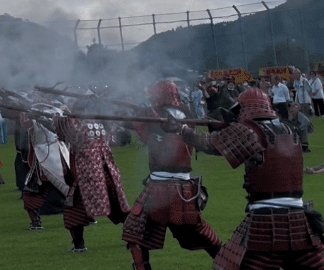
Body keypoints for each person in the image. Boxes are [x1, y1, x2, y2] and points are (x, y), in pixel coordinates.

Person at [173, 87, 324, 270]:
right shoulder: (288, 129)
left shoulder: (250, 130)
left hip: (266, 220)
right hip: (298, 218)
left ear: (246, 108)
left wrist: (182, 129)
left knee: (226, 266)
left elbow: (209, 144)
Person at [121, 81, 222, 270]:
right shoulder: (186, 115)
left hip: (160, 184)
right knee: (198, 231)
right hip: (183, 186)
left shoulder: (155, 116)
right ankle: (225, 261)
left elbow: (139, 131)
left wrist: (141, 114)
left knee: (134, 232)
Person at [55, 106, 130, 253]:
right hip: (107, 171)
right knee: (120, 209)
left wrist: (59, 116)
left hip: (86, 174)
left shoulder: (77, 125)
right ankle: (132, 239)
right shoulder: (104, 122)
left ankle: (79, 245)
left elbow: (62, 131)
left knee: (73, 212)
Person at [19, 105, 70, 231]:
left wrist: (39, 118)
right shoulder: (52, 114)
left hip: (51, 156)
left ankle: (86, 217)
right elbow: (26, 125)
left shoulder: (57, 115)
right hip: (44, 157)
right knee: (31, 193)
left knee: (70, 189)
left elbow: (59, 129)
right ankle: (35, 222)